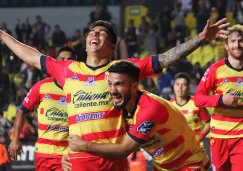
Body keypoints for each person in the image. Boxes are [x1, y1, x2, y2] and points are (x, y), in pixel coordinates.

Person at [0, 19, 229, 171]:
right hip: (80, 159)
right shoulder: (67, 69)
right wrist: (3, 35)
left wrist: (200, 38)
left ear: (112, 47)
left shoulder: (123, 69)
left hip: (115, 158)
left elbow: (167, 58)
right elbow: (31, 56)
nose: (95, 35)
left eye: (102, 33)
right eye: (92, 32)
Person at [66, 61, 210, 171]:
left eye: (119, 84)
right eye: (110, 84)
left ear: (135, 87)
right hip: (162, 166)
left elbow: (124, 149)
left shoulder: (150, 108)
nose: (112, 91)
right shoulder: (119, 104)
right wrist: (69, 152)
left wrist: (83, 146)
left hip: (189, 162)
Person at [8, 46, 77, 171]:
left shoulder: (80, 88)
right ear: (55, 63)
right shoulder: (41, 86)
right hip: (44, 154)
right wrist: (15, 138)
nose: (65, 62)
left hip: (68, 155)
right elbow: (22, 110)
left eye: (70, 59)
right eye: (62, 59)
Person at [194, 24, 243, 171]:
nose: (237, 45)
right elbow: (198, 99)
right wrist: (221, 100)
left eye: (241, 40)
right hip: (219, 136)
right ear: (226, 46)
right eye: (233, 41)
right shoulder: (215, 69)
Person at [170, 72, 210, 143]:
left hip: (197, 147)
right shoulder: (169, 105)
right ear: (174, 86)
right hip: (179, 147)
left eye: (184, 85)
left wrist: (201, 137)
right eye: (177, 84)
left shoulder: (196, 103)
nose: (180, 88)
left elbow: (209, 122)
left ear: (188, 88)